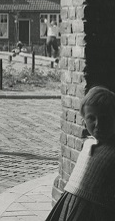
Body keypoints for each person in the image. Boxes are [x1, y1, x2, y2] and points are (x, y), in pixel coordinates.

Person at [45, 86, 115, 220]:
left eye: (104, 118)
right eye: (91, 118)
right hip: (70, 205)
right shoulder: (88, 144)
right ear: (83, 120)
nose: (98, 124)